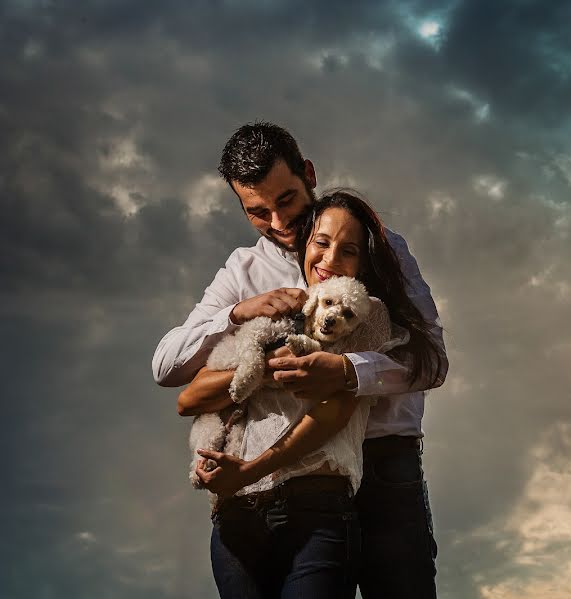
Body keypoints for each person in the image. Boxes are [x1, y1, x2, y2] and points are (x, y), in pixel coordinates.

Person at [153, 122, 448, 598]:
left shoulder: (384, 248)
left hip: (382, 466)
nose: (278, 222)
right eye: (257, 212)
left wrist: (350, 373)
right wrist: (236, 312)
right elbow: (167, 367)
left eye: (286, 200)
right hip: (292, 476)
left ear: (308, 174)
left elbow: (432, 362)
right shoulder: (243, 270)